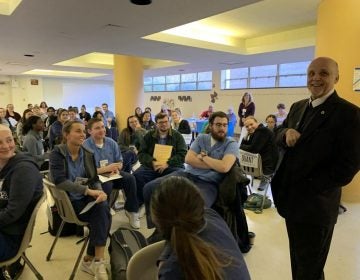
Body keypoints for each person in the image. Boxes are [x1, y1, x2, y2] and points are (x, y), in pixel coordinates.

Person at [271, 57, 360, 280]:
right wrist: (285, 134)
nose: (316, 78)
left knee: (310, 268)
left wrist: (309, 186)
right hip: (291, 202)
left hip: (316, 207)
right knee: (298, 261)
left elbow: (348, 166)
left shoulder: (349, 114)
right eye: (311, 73)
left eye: (323, 73)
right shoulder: (298, 107)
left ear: (336, 78)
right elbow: (278, 134)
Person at [143, 111, 238, 231]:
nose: (222, 128)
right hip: (187, 175)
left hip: (208, 183)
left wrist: (204, 157)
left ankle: (190, 239)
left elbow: (224, 167)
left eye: (225, 125)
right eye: (218, 124)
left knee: (196, 207)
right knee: (150, 188)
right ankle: (159, 227)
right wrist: (215, 164)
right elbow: (188, 159)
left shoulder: (231, 143)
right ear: (211, 125)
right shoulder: (202, 138)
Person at [152, 176, 251, 280]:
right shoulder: (211, 216)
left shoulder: (171, 271)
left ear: (157, 221)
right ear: (199, 202)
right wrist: (163, 259)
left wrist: (163, 266)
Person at [49, 120, 111, 280]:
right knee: (104, 216)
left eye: (84, 131)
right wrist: (87, 190)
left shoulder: (87, 153)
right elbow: (60, 181)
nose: (83, 134)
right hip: (69, 203)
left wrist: (99, 191)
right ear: (66, 134)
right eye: (78, 131)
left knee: (103, 208)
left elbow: (94, 178)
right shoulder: (57, 153)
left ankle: (96, 261)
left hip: (85, 199)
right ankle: (93, 261)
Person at [83, 118, 140, 229]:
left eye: (103, 127)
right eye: (97, 128)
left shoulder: (111, 142)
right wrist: (105, 169)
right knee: (107, 186)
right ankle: (103, 214)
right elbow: (86, 171)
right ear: (89, 131)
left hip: (113, 174)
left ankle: (132, 211)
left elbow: (120, 161)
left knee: (130, 178)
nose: (102, 130)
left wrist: (118, 167)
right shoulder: (85, 146)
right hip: (96, 177)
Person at [0, 124, 43, 262]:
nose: (6, 146)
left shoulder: (23, 170)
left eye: (9, 140)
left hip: (10, 237)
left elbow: (12, 213)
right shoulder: (4, 163)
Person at [133, 113, 187, 206]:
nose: (164, 124)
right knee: (137, 175)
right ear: (156, 124)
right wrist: (152, 162)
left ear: (169, 122)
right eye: (160, 122)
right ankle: (143, 202)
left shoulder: (177, 136)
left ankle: (170, 204)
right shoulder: (149, 136)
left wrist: (168, 163)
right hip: (152, 165)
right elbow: (141, 153)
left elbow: (183, 153)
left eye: (166, 121)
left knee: (180, 175)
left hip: (171, 166)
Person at [240, 116, 278, 191]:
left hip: (267, 166)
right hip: (260, 164)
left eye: (251, 124)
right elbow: (248, 145)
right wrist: (245, 136)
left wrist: (242, 146)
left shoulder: (262, 131)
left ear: (256, 123)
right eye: (247, 126)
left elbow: (253, 149)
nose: (249, 127)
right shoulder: (255, 132)